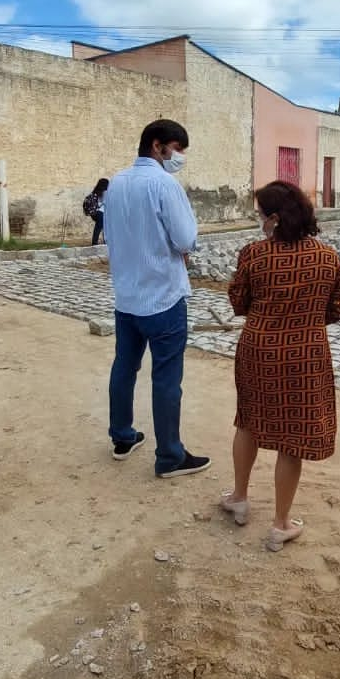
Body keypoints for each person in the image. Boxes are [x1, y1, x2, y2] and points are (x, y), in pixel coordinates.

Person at [221, 181, 340, 551]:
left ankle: (240, 499)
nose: (258, 221)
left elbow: (238, 302)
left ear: (274, 218)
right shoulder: (327, 258)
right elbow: (335, 310)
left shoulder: (253, 255)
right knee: (292, 436)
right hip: (306, 354)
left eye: (260, 215)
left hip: (258, 350)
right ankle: (280, 524)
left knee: (249, 420)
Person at [104, 119, 210, 478]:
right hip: (163, 297)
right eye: (177, 149)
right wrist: (184, 248)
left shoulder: (115, 184)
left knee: (124, 367)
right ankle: (170, 456)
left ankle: (122, 436)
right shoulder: (165, 185)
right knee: (166, 378)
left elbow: (113, 234)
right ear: (157, 146)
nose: (179, 157)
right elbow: (185, 239)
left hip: (127, 297)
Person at [83, 177, 109, 246]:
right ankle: (96, 243)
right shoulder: (106, 192)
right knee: (102, 227)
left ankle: (98, 242)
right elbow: (106, 203)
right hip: (101, 213)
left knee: (101, 227)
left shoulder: (96, 191)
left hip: (94, 213)